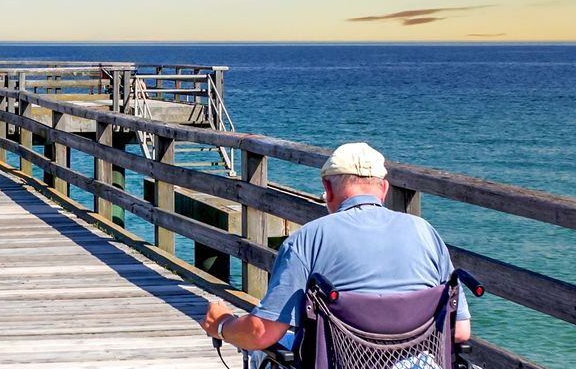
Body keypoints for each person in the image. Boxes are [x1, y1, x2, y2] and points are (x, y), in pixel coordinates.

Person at [200, 142, 470, 352]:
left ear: (328, 189)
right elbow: (459, 331)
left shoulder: (308, 239)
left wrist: (222, 324)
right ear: (384, 189)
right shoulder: (426, 232)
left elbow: (262, 333)